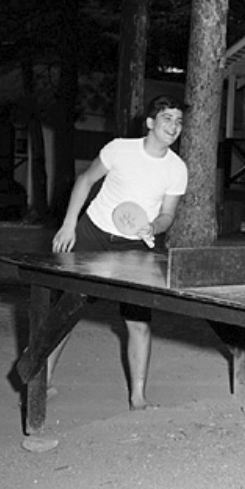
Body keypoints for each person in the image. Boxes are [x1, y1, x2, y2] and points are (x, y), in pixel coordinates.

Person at [49, 94, 189, 411]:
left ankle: (138, 398)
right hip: (93, 234)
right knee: (63, 313)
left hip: (134, 247)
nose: (174, 126)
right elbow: (85, 180)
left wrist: (153, 227)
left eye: (179, 121)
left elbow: (168, 215)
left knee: (138, 322)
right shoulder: (119, 149)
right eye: (167, 118)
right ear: (151, 123)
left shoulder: (177, 169)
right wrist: (69, 224)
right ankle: (40, 381)